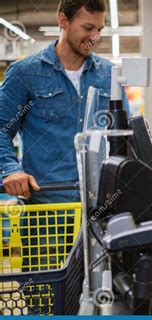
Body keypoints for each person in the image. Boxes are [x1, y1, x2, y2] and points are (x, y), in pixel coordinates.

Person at [0, 0, 129, 204]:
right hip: (47, 212)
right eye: (87, 28)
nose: (94, 37)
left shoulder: (110, 75)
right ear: (63, 21)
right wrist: (10, 169)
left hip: (101, 208)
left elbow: (125, 136)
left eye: (99, 29)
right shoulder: (25, 73)